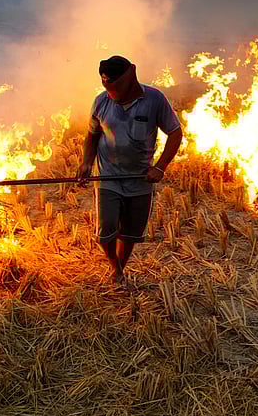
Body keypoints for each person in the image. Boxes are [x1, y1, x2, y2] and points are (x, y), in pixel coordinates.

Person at [77, 55, 183, 288]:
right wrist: (87, 163)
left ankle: (119, 268)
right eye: (106, 84)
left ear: (131, 75)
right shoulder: (101, 102)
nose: (110, 91)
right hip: (108, 176)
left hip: (140, 178)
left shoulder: (154, 99)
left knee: (130, 232)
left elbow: (175, 133)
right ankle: (115, 267)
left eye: (114, 85)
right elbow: (92, 135)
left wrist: (159, 167)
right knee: (106, 229)